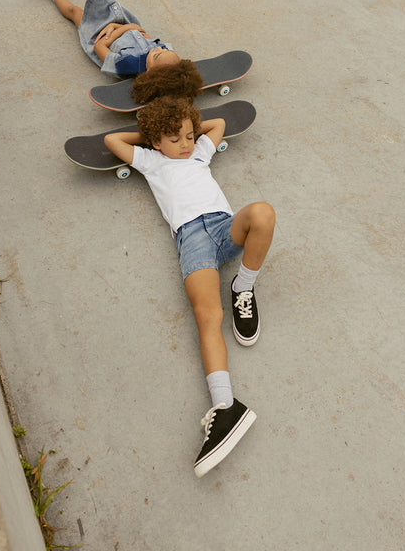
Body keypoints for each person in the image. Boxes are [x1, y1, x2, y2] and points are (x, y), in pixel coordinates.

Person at [104, 95, 276, 477]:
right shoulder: (151, 160)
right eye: (174, 138)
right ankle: (226, 407)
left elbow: (217, 127)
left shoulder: (198, 153)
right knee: (207, 316)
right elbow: (113, 142)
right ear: (155, 142)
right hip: (191, 241)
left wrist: (187, 127)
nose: (184, 144)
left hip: (222, 225)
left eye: (187, 135)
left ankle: (243, 287)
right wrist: (149, 133)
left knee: (263, 212)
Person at [30, 0, 180, 77]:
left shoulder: (127, 65)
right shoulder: (161, 52)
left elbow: (99, 47)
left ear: (150, 72)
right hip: (121, 23)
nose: (158, 49)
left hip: (97, 34)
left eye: (157, 55)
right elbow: (140, 30)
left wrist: (116, 29)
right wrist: (119, 26)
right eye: (164, 50)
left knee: (74, 8)